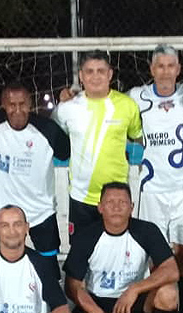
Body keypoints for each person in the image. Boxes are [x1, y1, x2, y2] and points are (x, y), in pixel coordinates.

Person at [60, 182, 180, 313]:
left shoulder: (147, 231)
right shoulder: (86, 236)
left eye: (122, 202)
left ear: (131, 207)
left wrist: (135, 289)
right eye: (110, 202)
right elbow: (72, 286)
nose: (116, 207)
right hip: (98, 302)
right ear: (100, 207)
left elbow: (172, 270)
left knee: (168, 293)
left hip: (132, 303)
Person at [127, 44, 183, 313]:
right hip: (151, 190)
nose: (165, 71)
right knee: (154, 255)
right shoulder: (137, 96)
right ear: (152, 69)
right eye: (160, 66)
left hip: (182, 188)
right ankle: (157, 308)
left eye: (171, 66)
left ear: (178, 69)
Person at [52, 51, 143, 243]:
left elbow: (138, 137)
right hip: (80, 197)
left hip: (116, 198)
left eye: (100, 71)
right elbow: (55, 133)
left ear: (110, 74)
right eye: (89, 71)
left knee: (116, 251)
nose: (95, 76)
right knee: (81, 253)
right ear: (81, 76)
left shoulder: (127, 106)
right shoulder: (67, 108)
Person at [0, 82, 70, 274]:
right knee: (9, 268)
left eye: (22, 104)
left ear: (30, 104)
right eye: (12, 104)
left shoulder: (48, 129)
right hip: (7, 215)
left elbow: (65, 153)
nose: (17, 110)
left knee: (48, 271)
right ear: (3, 105)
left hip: (42, 211)